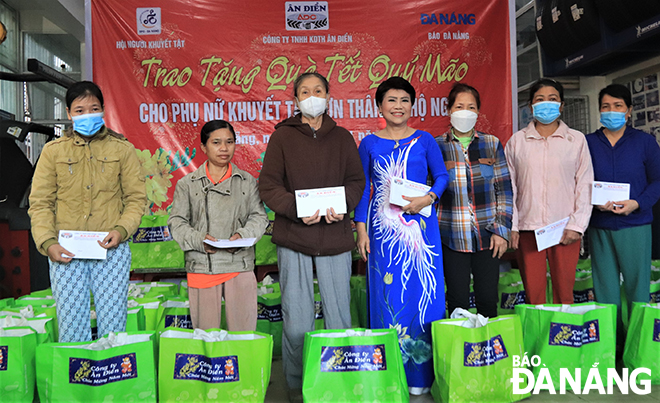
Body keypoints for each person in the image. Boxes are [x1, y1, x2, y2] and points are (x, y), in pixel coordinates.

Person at [259, 72, 365, 399]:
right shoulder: (282, 138)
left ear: (328, 96)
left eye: (318, 90)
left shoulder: (343, 138)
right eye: (305, 91)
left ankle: (338, 386)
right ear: (295, 100)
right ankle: (296, 384)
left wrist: (342, 206)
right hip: (294, 238)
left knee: (339, 319)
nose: (312, 96)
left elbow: (356, 182)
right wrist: (295, 208)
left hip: (334, 240)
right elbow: (269, 186)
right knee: (296, 324)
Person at [28, 81, 147, 342]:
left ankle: (112, 381)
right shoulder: (53, 152)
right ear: (69, 113)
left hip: (110, 249)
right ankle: (77, 381)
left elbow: (136, 199)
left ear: (103, 110)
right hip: (66, 251)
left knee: (114, 325)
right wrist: (48, 243)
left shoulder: (122, 150)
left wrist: (121, 230)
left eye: (93, 108)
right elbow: (40, 203)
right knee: (71, 326)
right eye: (79, 110)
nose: (87, 115)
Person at [355, 76, 449, 394]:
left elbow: (442, 176)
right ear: (379, 105)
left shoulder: (424, 140)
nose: (398, 106)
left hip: (422, 231)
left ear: (413, 105)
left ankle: (421, 378)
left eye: (404, 100)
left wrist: (429, 198)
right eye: (391, 100)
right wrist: (361, 231)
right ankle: (390, 375)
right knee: (387, 297)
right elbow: (363, 190)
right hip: (382, 234)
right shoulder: (368, 143)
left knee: (425, 296)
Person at [169, 120, 268, 331]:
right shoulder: (187, 184)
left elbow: (259, 217)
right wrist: (199, 240)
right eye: (216, 142)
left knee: (243, 336)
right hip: (202, 266)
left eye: (229, 142)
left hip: (239, 265)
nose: (224, 148)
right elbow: (176, 222)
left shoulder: (247, 181)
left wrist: (243, 235)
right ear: (204, 147)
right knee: (207, 338)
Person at [505, 78, 593, 305]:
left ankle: (562, 338)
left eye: (553, 99)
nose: (547, 104)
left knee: (565, 294)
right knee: (534, 294)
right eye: (540, 99)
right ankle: (536, 340)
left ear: (562, 105)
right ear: (531, 105)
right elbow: (509, 187)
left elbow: (585, 184)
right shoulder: (517, 142)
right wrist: (513, 226)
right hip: (528, 229)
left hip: (565, 229)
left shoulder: (576, 140)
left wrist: (577, 225)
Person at [586, 84, 660, 334]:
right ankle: (611, 346)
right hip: (600, 226)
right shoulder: (588, 143)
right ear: (599, 111)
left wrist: (637, 203)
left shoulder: (645, 142)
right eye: (606, 106)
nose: (612, 111)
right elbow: (577, 181)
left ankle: (638, 346)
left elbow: (658, 181)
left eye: (618, 106)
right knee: (605, 291)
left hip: (635, 225)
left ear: (628, 111)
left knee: (638, 289)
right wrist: (591, 200)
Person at [436, 83, 513, 318]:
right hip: (451, 236)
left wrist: (502, 230)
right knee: (457, 302)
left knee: (488, 301)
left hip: (488, 235)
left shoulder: (491, 143)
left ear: (478, 112)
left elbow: (504, 191)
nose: (465, 111)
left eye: (471, 107)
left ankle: (488, 353)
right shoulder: (437, 146)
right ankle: (460, 354)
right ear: (449, 110)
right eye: (459, 106)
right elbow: (430, 193)